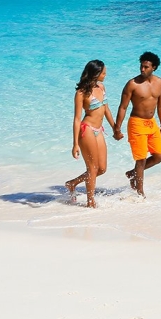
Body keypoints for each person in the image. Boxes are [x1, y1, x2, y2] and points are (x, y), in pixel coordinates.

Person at [113, 51, 161, 197]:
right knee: (141, 159)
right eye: (141, 66)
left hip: (152, 123)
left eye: (146, 67)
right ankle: (140, 192)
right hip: (136, 123)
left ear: (154, 67)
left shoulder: (160, 83)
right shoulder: (132, 84)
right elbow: (122, 107)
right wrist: (117, 128)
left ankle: (132, 174)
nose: (142, 69)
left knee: (159, 156)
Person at [66, 60, 115, 208]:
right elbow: (76, 119)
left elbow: (106, 109)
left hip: (99, 129)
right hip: (86, 129)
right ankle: (90, 202)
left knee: (102, 168)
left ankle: (73, 183)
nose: (105, 75)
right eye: (103, 72)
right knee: (92, 168)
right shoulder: (81, 93)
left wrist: (115, 128)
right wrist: (75, 144)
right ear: (95, 73)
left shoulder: (101, 87)